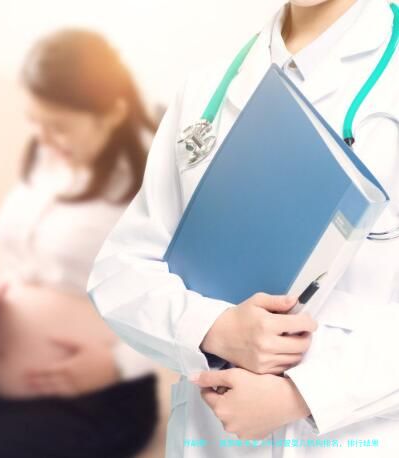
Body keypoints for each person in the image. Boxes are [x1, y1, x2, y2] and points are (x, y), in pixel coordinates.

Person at [88, 0, 399, 456]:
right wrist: (214, 329)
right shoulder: (207, 91)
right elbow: (121, 271)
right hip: (213, 438)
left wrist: (303, 395)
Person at [0, 29, 160, 457]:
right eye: (34, 120)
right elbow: (24, 259)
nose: (42, 138)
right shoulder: (47, 155)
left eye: (59, 126)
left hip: (95, 398)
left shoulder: (154, 187)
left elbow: (200, 305)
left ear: (112, 114)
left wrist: (118, 364)